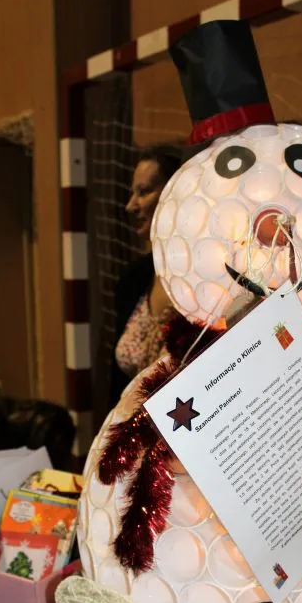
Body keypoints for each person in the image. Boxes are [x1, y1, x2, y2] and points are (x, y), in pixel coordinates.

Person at [109, 144, 183, 407]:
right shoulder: (133, 279)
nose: (130, 206)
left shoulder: (204, 278)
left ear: (175, 192)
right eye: (133, 193)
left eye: (143, 192)